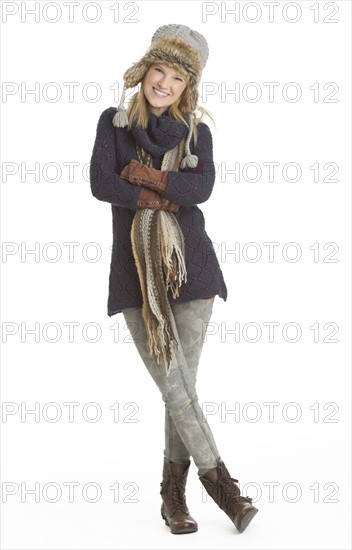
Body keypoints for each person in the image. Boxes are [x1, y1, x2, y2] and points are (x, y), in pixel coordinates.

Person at [89, 23, 258, 535]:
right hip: (136, 275)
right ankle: (222, 486)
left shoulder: (196, 132)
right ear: (145, 70)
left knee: (180, 390)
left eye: (178, 77)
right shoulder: (113, 123)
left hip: (194, 272)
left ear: (190, 86)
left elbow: (201, 187)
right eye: (159, 70)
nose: (164, 83)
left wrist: (143, 177)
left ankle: (173, 499)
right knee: (177, 389)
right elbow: (100, 182)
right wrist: (166, 193)